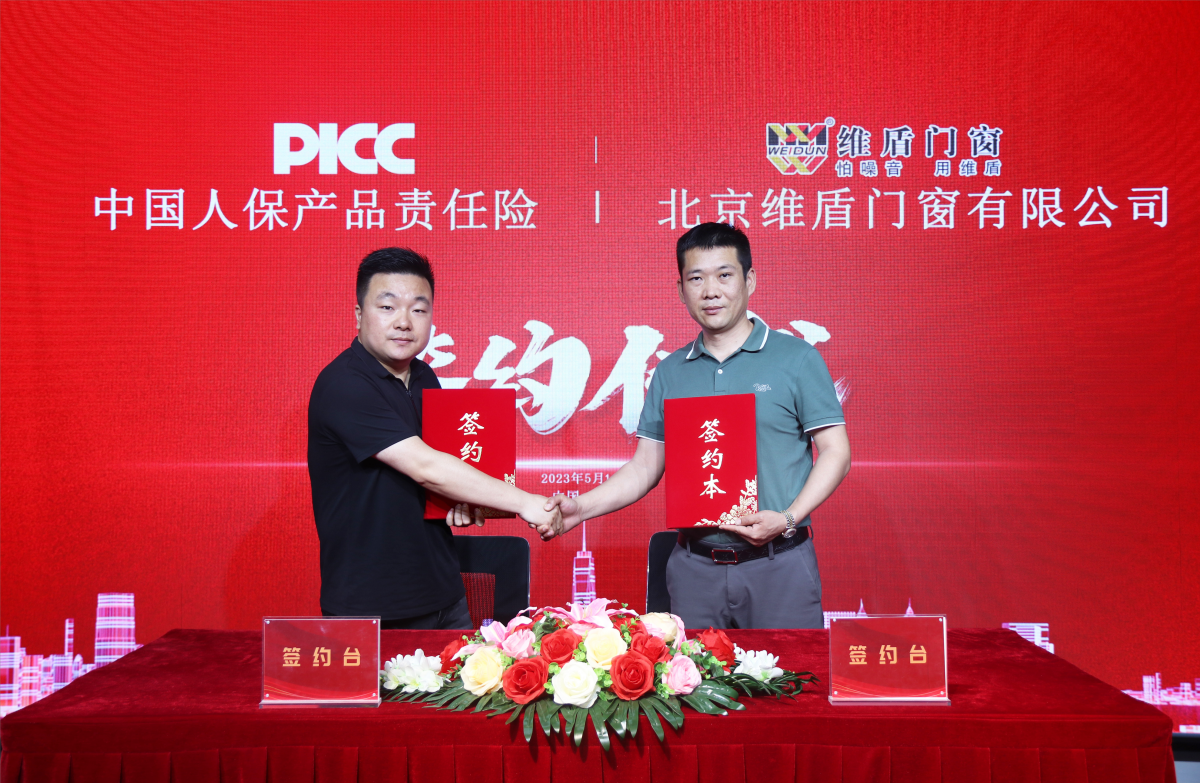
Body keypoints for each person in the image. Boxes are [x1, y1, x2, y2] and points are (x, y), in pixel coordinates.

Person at [540, 223, 850, 629]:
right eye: (696, 278)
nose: (711, 291)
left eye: (724, 275)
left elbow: (836, 452)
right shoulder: (670, 371)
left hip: (780, 565)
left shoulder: (797, 358)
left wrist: (788, 518)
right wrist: (581, 509)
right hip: (694, 569)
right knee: (690, 670)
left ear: (749, 280)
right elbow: (645, 466)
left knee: (790, 671)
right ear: (681, 289)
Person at [308, 247, 562, 629]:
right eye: (387, 307)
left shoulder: (424, 376)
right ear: (359, 314)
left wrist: (459, 502)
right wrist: (528, 503)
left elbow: (441, 470)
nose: (404, 322)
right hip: (374, 608)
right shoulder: (344, 384)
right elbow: (425, 467)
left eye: (418, 309)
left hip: (446, 595)